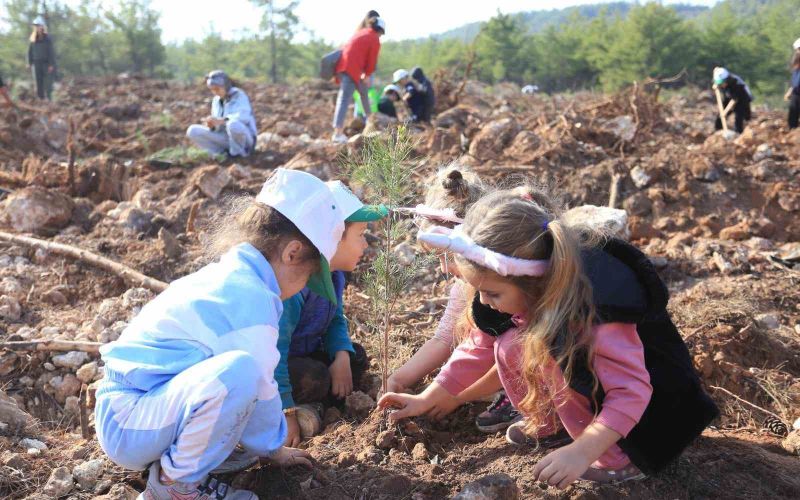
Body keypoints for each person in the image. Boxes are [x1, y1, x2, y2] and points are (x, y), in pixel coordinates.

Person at [380, 185, 718, 488]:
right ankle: (554, 426)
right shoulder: (522, 294)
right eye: (479, 291)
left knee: (545, 351)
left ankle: (619, 461)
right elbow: (476, 347)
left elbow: (631, 392)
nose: (484, 302)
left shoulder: (598, 314)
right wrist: (429, 397)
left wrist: (582, 452)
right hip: (598, 391)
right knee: (510, 344)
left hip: (654, 417)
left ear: (532, 283)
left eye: (493, 294)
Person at [95, 168, 346, 500]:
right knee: (240, 373)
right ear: (292, 253)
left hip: (139, 410)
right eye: (308, 276)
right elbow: (262, 384)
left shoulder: (233, 275)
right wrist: (275, 447)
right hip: (130, 422)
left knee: (239, 377)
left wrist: (264, 445)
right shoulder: (251, 299)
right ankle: (175, 488)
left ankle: (188, 465)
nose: (303, 287)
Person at [387, 168, 522, 433]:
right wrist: (399, 378)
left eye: (447, 257)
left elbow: (516, 352)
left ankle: (527, 401)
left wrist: (459, 396)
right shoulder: (467, 286)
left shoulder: (513, 282)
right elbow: (445, 338)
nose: (443, 269)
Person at [278, 181, 388, 446]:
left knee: (355, 358)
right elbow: (275, 352)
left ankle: (322, 400)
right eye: (360, 234)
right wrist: (287, 411)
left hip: (308, 351)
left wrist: (340, 356)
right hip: (279, 367)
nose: (365, 244)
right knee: (315, 376)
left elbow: (334, 319)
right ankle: (304, 410)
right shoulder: (296, 286)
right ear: (334, 236)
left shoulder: (335, 275)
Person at [331, 16, 385, 143]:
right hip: (352, 71)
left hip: (345, 68)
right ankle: (337, 134)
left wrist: (364, 75)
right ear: (380, 30)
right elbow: (372, 60)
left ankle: (370, 123)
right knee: (344, 99)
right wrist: (367, 75)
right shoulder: (374, 38)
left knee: (364, 94)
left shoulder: (360, 33)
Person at [186, 70, 257, 158]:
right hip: (227, 138)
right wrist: (213, 125)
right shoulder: (216, 100)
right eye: (212, 90)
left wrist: (223, 120)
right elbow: (218, 126)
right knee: (193, 131)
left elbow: (243, 117)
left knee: (233, 124)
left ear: (225, 86)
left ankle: (239, 154)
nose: (215, 92)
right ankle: (221, 154)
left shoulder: (239, 95)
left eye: (217, 89)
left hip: (245, 139)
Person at [712, 66, 753, 133]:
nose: (721, 84)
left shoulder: (735, 83)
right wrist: (716, 85)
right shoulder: (721, 78)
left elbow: (734, 100)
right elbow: (715, 69)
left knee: (739, 118)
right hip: (729, 97)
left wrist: (725, 112)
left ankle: (738, 134)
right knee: (719, 117)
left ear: (727, 80)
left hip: (742, 99)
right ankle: (718, 132)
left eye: (722, 82)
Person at [27, 16, 56, 101]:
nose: (38, 27)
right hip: (36, 64)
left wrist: (51, 64)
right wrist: (29, 62)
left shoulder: (47, 38)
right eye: (36, 26)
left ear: (43, 26)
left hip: (46, 63)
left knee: (48, 83)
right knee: (38, 83)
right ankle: (41, 99)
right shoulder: (32, 39)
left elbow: (51, 52)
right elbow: (29, 52)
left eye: (39, 25)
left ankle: (49, 99)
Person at [784, 39, 800, 129]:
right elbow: (795, 81)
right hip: (796, 93)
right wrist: (790, 91)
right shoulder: (797, 63)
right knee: (793, 116)